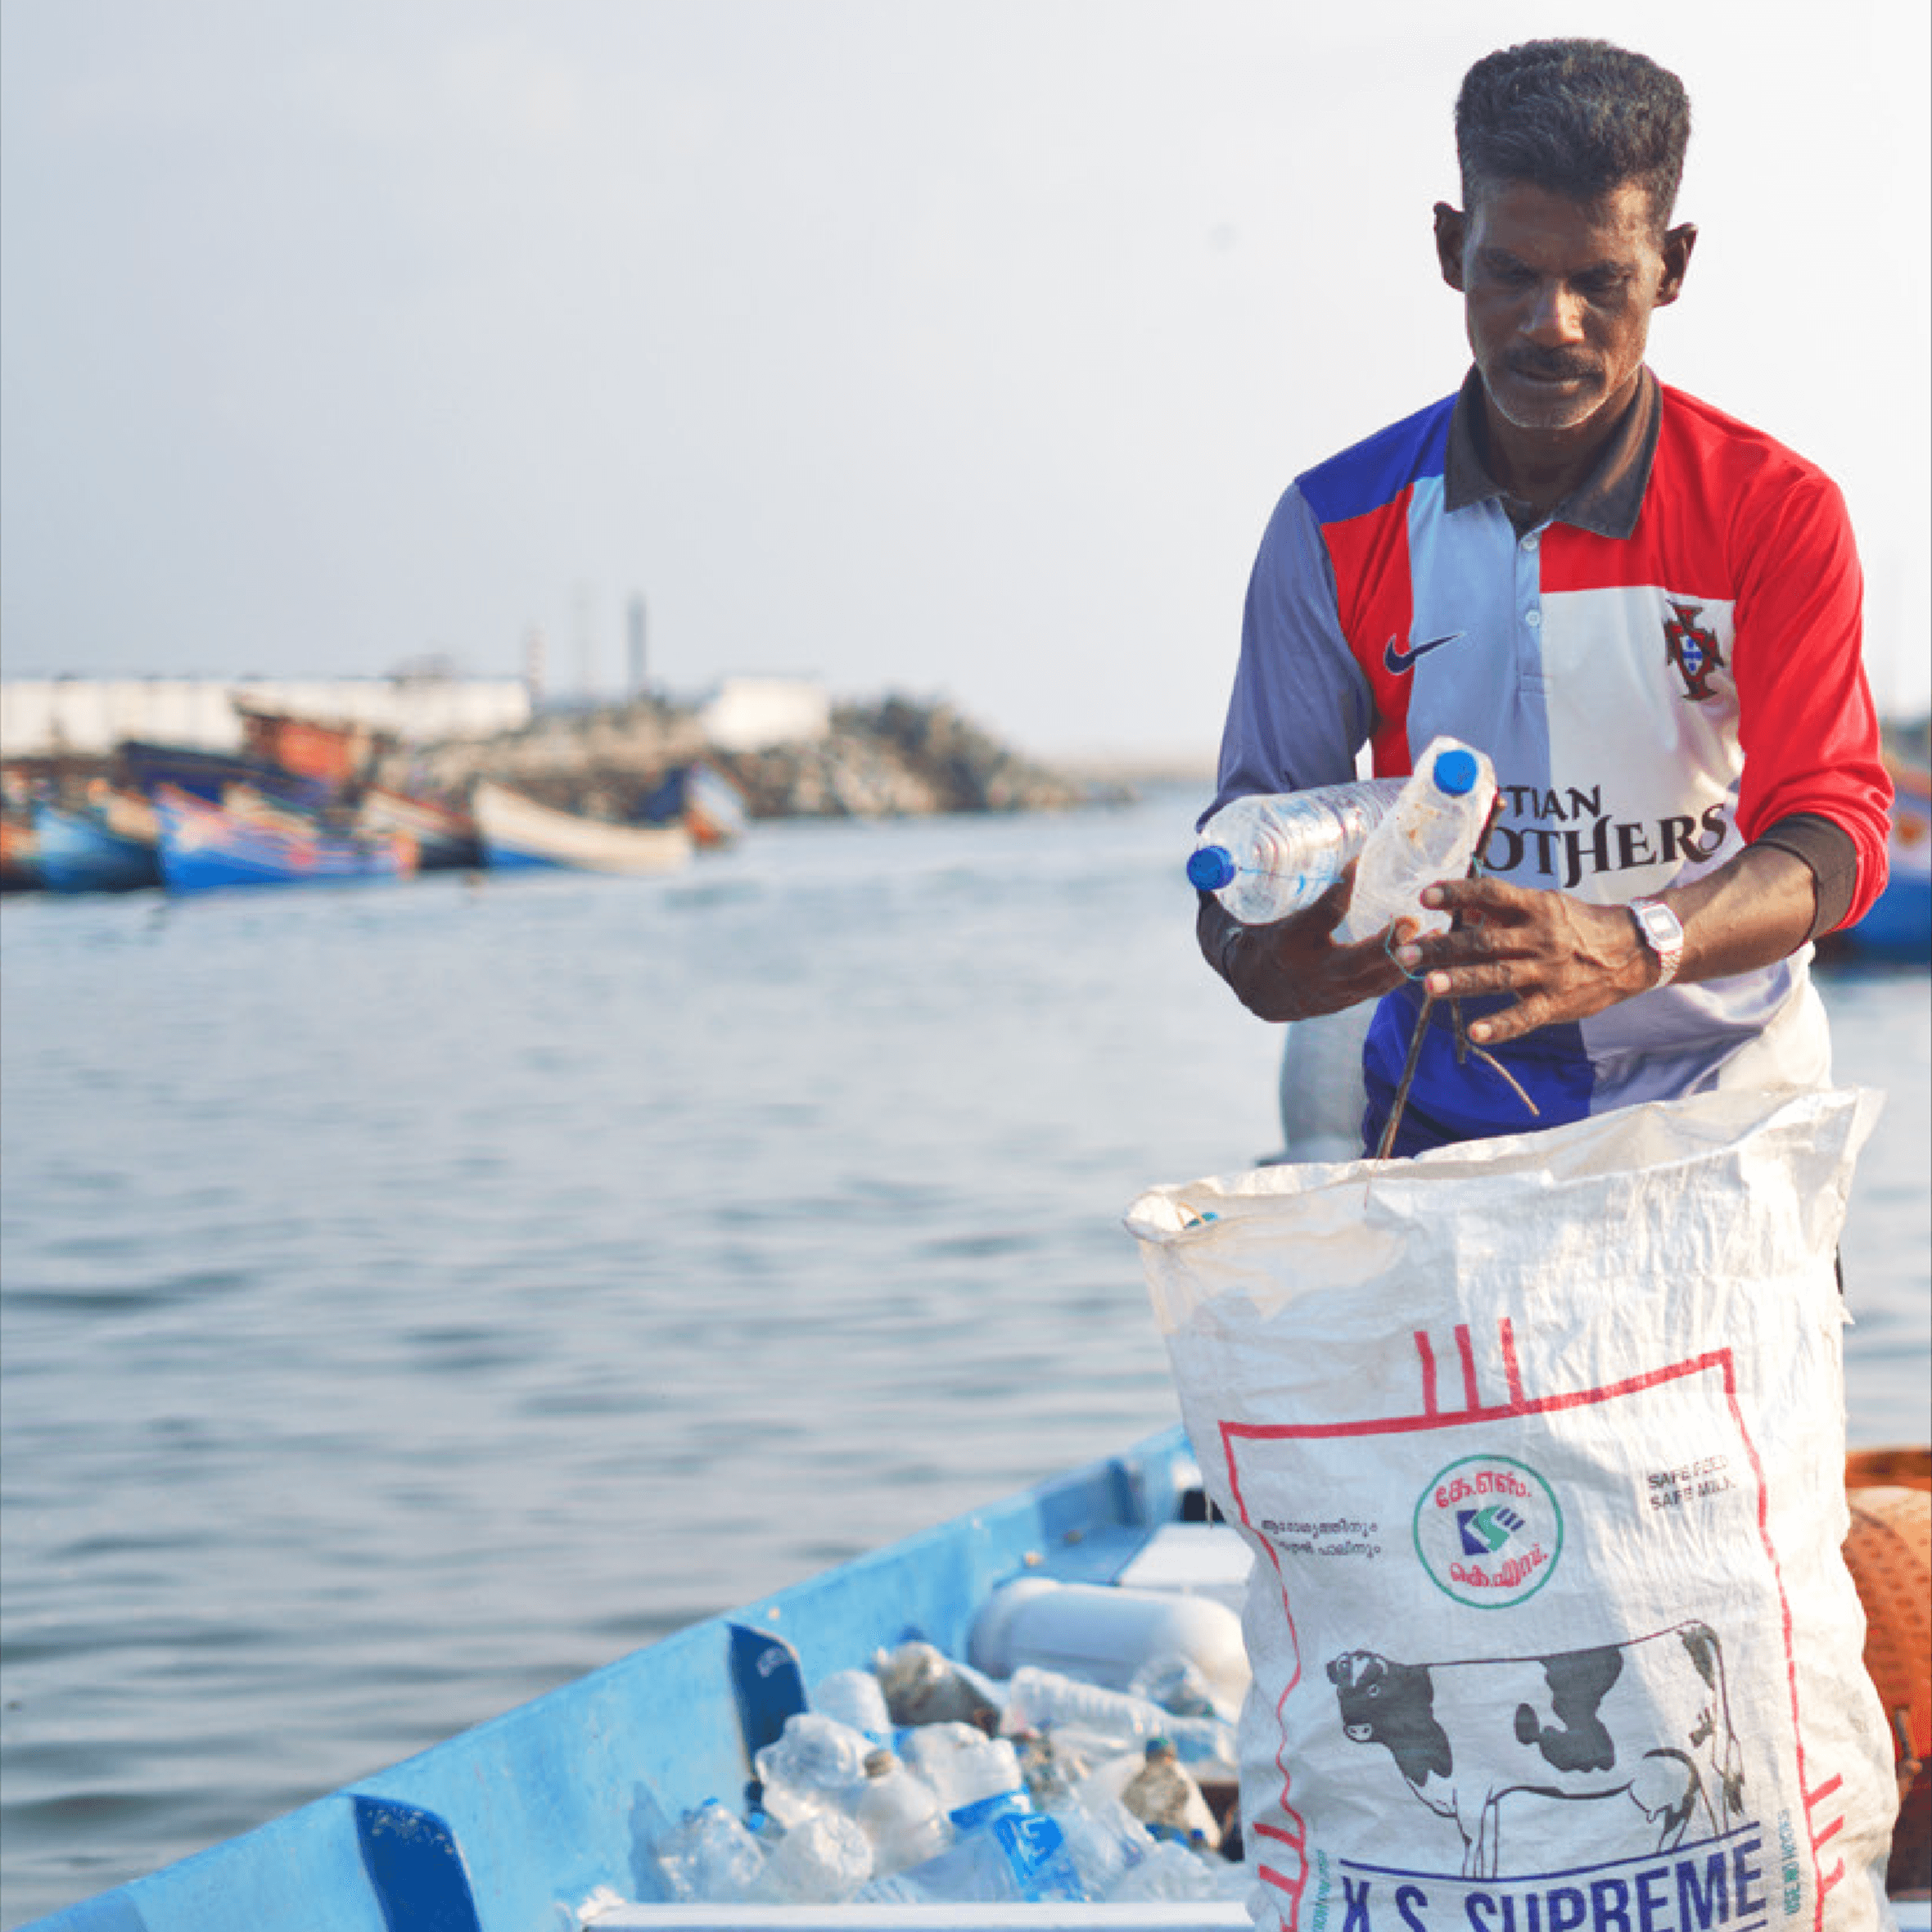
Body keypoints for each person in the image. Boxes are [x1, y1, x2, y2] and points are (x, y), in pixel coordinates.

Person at [1199, 38, 1893, 1158]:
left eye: (1600, 281)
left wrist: (1636, 942)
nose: (1550, 322)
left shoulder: (1776, 509)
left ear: (1670, 266)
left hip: (1729, 1120)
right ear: (1449, 248)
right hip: (1440, 1125)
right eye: (1511, 272)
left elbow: (1837, 831)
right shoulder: (1331, 527)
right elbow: (1249, 853)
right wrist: (1259, 957)